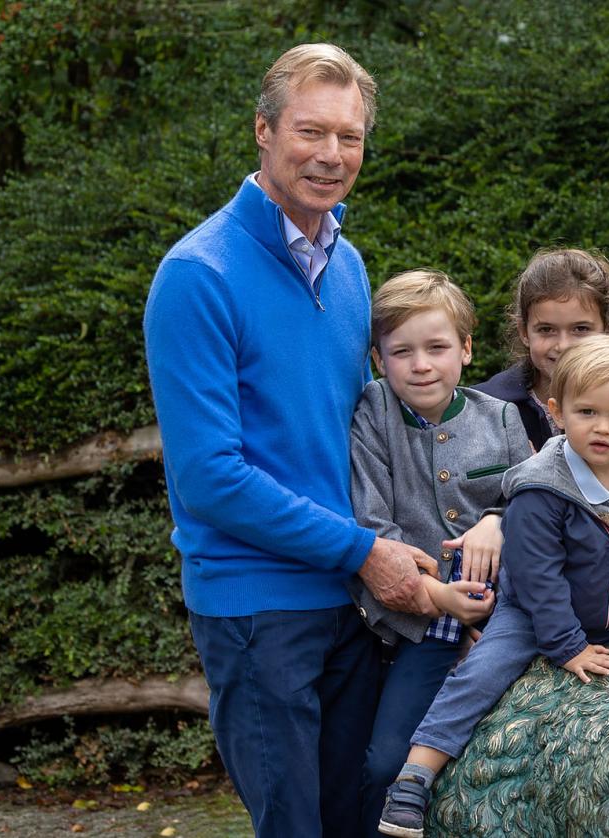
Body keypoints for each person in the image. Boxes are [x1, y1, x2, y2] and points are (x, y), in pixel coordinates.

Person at [143, 43, 438, 838]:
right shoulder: (198, 275)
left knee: (357, 821)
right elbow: (209, 477)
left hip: (349, 604)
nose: (331, 155)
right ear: (264, 131)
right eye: (311, 132)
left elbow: (365, 438)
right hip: (257, 608)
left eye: (350, 137)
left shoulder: (349, 269)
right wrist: (361, 552)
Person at [377, 335, 609, 838]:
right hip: (534, 617)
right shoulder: (538, 486)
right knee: (481, 675)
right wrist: (568, 647)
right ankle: (415, 777)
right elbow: (537, 576)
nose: (602, 427)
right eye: (587, 411)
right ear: (557, 412)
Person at [348, 269, 534, 835]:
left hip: (515, 615)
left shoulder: (501, 417)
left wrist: (500, 519)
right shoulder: (373, 414)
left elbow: (540, 496)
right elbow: (372, 524)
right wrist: (439, 601)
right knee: (384, 763)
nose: (421, 364)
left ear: (466, 350)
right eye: (402, 351)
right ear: (380, 361)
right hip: (425, 624)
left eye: (437, 348)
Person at [474, 248, 609, 450]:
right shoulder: (487, 408)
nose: (563, 346)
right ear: (524, 332)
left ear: (606, 329)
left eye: (581, 329)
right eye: (546, 329)